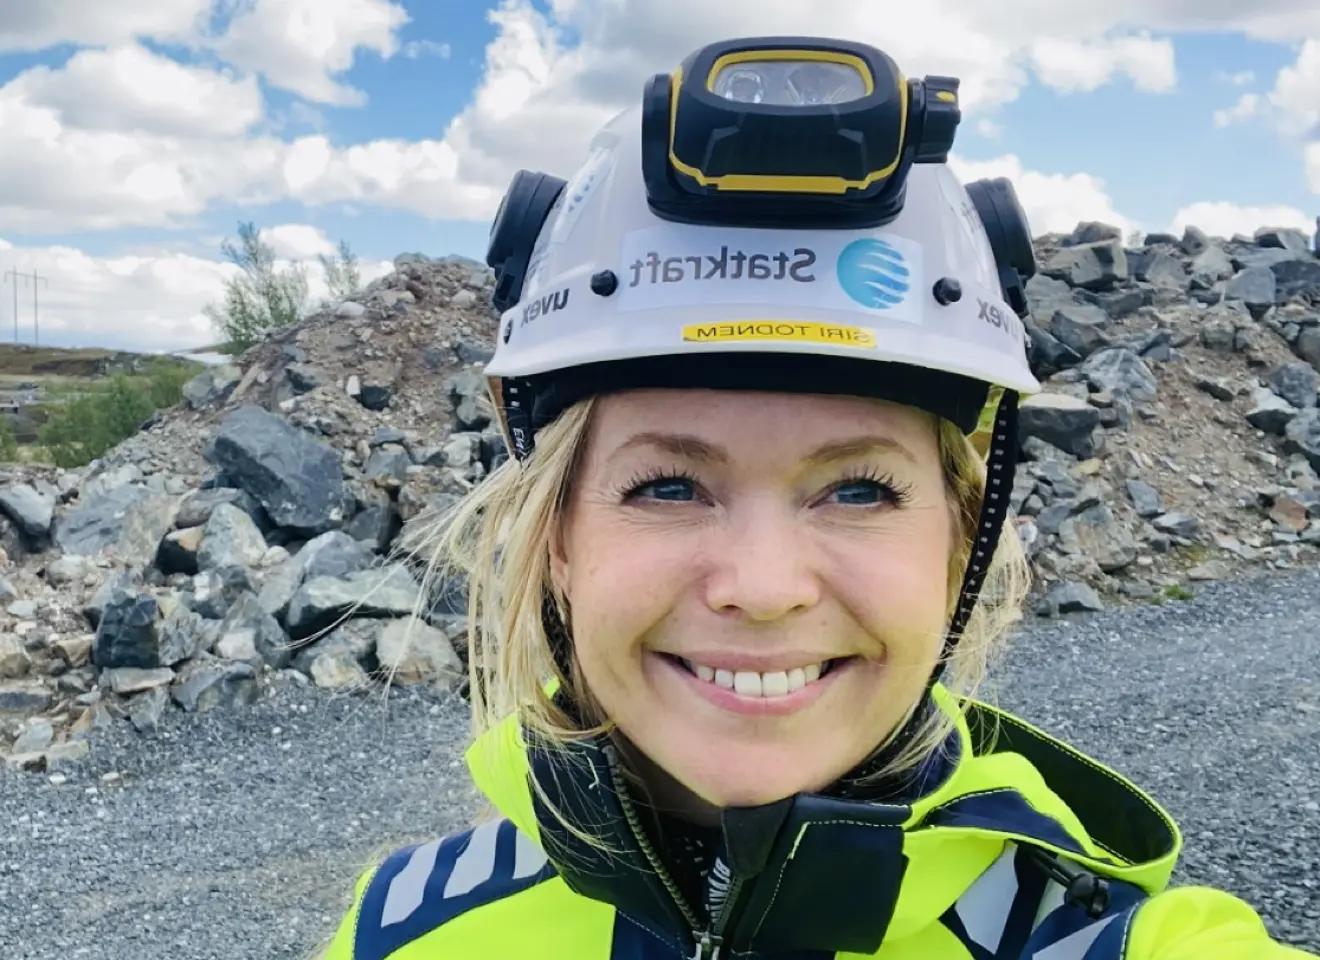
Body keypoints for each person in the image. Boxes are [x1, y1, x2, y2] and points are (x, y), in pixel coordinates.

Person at [321, 36, 1315, 960]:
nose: (764, 589)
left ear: (959, 538)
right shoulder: (397, 934)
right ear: (560, 540)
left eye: (858, 490)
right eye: (668, 486)